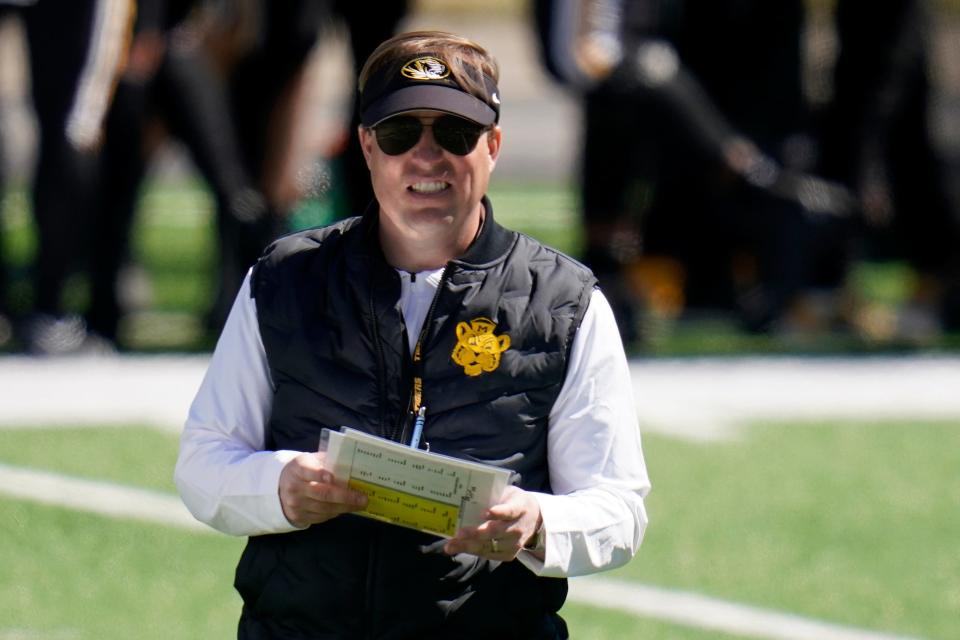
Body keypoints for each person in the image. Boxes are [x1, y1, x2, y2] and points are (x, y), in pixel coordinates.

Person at [175, 31, 650, 639]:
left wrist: (535, 522)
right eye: (401, 135)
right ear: (367, 148)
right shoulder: (282, 280)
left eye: (454, 133)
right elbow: (204, 462)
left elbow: (619, 508)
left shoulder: (567, 302)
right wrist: (280, 487)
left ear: (493, 146)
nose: (427, 158)